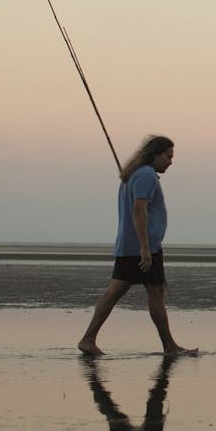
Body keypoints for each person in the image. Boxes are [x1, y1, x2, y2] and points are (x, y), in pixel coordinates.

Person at [78, 135, 195, 356]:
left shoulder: (135, 175)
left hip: (130, 246)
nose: (170, 162)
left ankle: (88, 339)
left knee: (118, 292)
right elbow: (139, 210)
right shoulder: (146, 176)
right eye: (168, 156)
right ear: (155, 155)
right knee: (155, 291)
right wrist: (145, 248)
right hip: (142, 248)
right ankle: (169, 346)